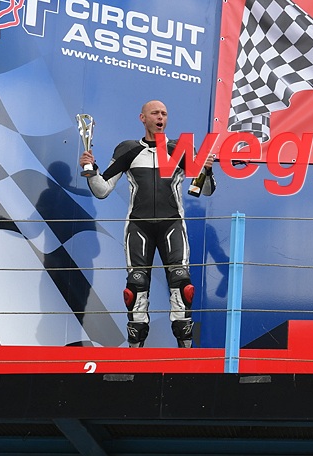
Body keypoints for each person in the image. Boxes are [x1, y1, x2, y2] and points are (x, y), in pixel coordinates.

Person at [79, 100, 216, 347]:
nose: (160, 117)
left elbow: (204, 190)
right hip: (138, 226)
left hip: (172, 224)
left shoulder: (181, 148)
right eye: (155, 113)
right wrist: (91, 170)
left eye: (164, 113)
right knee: (136, 287)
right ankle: (135, 354)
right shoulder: (128, 149)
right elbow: (102, 190)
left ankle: (185, 355)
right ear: (143, 118)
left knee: (182, 286)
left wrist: (207, 170)